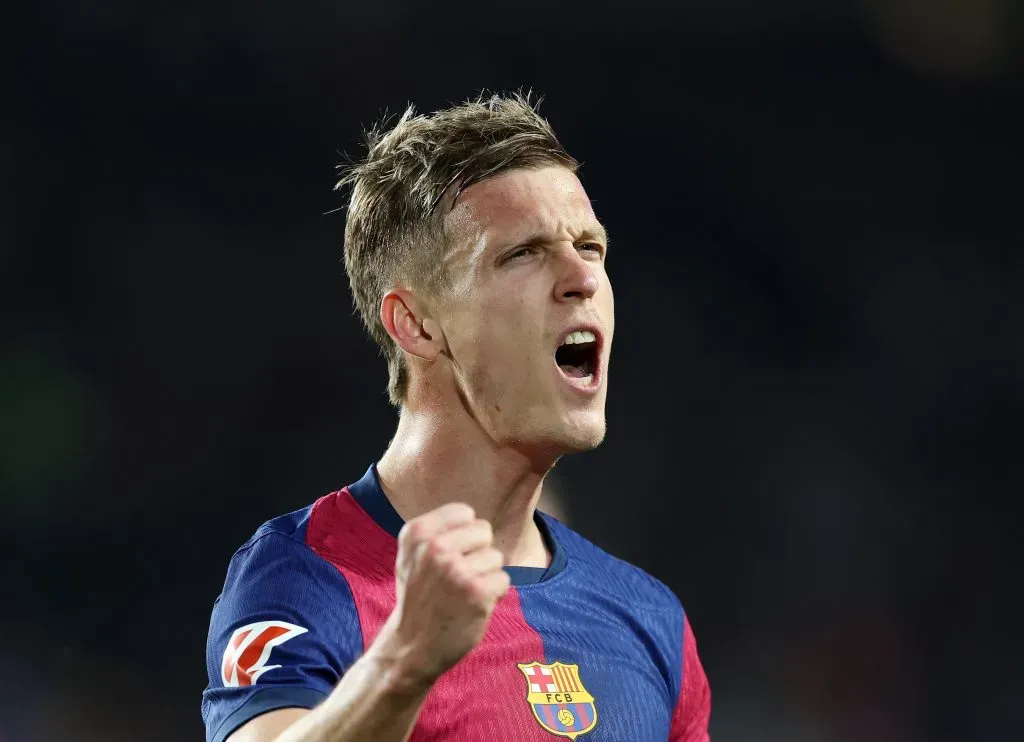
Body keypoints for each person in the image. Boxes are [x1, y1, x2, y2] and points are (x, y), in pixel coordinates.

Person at [201, 93, 711, 742]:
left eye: (590, 247)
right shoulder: (307, 576)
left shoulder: (648, 619)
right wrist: (407, 661)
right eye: (522, 252)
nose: (581, 276)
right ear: (416, 324)